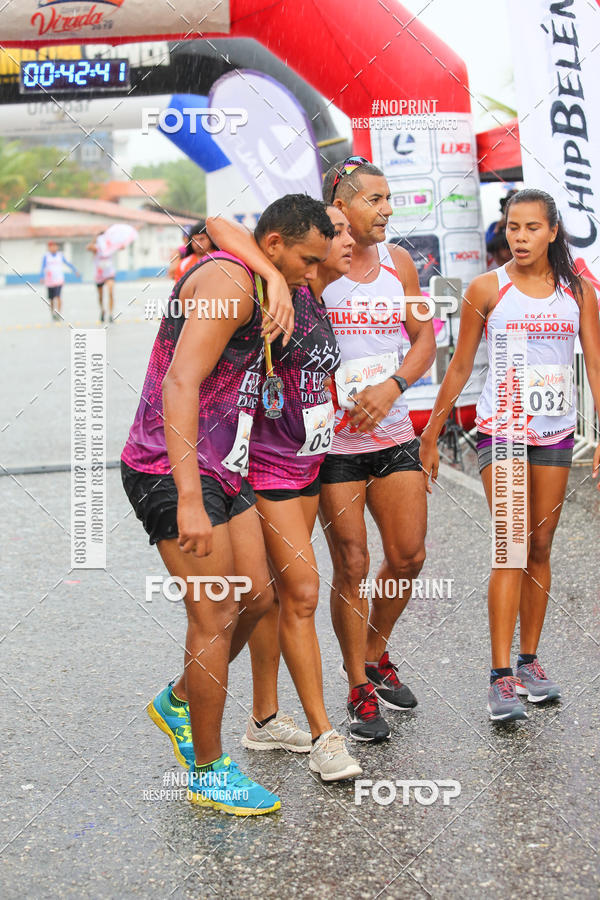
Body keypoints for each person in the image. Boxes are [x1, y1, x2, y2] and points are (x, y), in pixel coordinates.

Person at [121, 195, 334, 815]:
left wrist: (275, 275)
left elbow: (220, 221)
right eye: (304, 261)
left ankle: (181, 697)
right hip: (172, 465)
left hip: (227, 463)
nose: (311, 275)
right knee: (213, 614)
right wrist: (188, 495)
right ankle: (210, 772)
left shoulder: (259, 273)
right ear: (272, 245)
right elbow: (180, 381)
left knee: (260, 597)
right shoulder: (229, 282)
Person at [419, 188, 600, 722]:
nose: (519, 238)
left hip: (556, 433)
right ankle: (499, 676)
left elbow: (595, 364)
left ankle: (529, 661)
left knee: (540, 545)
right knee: (512, 545)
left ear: (552, 232)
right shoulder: (487, 289)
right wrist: (431, 434)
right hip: (504, 434)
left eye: (530, 228)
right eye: (512, 227)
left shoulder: (578, 292)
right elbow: (460, 368)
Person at [206, 203, 363, 781]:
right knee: (301, 591)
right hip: (265, 468)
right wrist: (270, 274)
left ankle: (264, 718)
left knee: (269, 597)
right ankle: (325, 735)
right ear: (281, 246)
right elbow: (216, 223)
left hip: (309, 461)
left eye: (346, 234)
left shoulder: (314, 285)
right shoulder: (267, 280)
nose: (343, 243)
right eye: (334, 233)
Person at [319, 157, 436, 741]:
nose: (388, 209)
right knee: (353, 565)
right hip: (334, 443)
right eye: (376, 199)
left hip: (391, 434)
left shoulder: (400, 263)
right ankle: (356, 686)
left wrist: (393, 386)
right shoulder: (318, 261)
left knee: (409, 556)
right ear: (341, 205)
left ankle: (374, 651)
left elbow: (424, 339)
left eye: (389, 198)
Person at [39, 240, 79, 320]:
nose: (53, 248)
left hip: (58, 280)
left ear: (57, 247)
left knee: (58, 296)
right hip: (49, 281)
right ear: (49, 248)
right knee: (51, 299)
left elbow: (67, 263)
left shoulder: (60, 256)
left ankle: (59, 313)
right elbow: (42, 267)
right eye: (51, 246)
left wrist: (75, 270)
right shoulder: (46, 256)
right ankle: (52, 313)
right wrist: (41, 277)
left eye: (54, 246)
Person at [86, 235, 116, 323]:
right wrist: (94, 240)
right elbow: (88, 248)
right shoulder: (96, 248)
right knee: (100, 296)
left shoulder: (110, 247)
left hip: (109, 273)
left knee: (110, 292)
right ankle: (102, 310)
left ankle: (111, 313)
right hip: (99, 275)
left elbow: (121, 247)